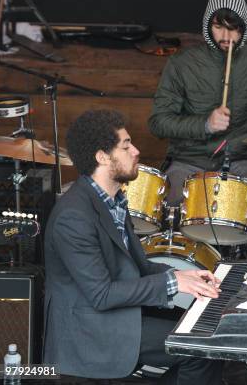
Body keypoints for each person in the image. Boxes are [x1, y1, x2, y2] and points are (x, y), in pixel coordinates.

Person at [43, 110, 223, 384]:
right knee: (199, 350)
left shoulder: (112, 201)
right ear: (102, 157)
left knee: (206, 331)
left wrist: (181, 276)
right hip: (92, 331)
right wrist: (171, 284)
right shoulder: (73, 216)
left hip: (116, 314)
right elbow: (101, 295)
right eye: (126, 146)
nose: (137, 151)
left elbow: (139, 267)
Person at [149, 0, 247, 227]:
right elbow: (158, 122)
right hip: (189, 162)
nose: (226, 37)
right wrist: (205, 124)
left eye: (233, 28)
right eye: (219, 27)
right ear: (208, 26)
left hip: (238, 160)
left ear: (244, 28)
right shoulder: (181, 64)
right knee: (171, 209)